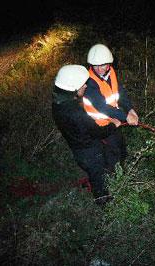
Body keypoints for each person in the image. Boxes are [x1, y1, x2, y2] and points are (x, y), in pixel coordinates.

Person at [52, 65, 122, 203]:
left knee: (95, 171)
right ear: (71, 87)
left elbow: (80, 126)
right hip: (91, 152)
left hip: (78, 149)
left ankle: (95, 182)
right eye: (81, 84)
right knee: (98, 176)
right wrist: (114, 124)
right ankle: (103, 200)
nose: (85, 86)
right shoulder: (76, 112)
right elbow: (98, 132)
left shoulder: (58, 103)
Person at [82, 44, 138, 169]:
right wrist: (126, 116)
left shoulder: (111, 73)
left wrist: (130, 109)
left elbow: (120, 92)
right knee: (113, 153)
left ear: (109, 64)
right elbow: (102, 107)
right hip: (99, 124)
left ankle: (121, 169)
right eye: (95, 65)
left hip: (114, 119)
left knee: (121, 147)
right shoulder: (89, 82)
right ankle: (114, 179)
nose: (99, 69)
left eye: (103, 65)